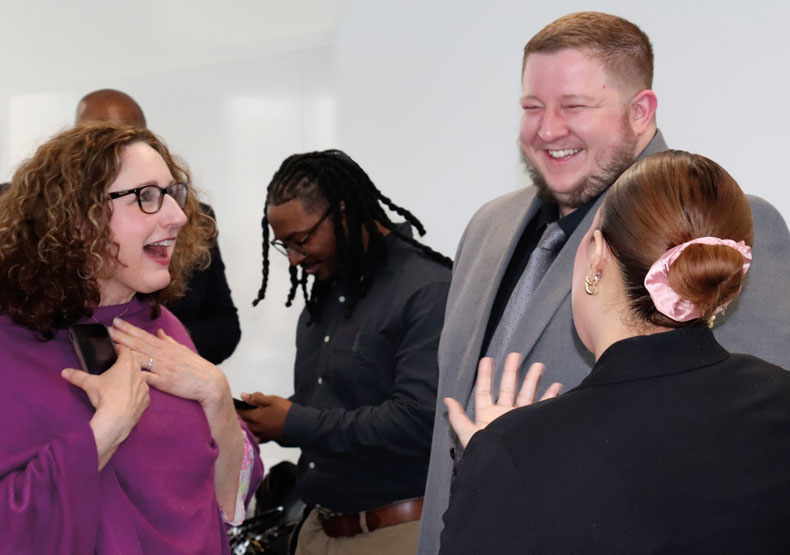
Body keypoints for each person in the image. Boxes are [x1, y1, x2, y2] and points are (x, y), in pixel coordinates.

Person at [419, 11, 790, 552]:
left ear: (640, 112)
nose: (547, 129)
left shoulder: (724, 229)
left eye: (573, 106)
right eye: (531, 107)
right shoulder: (486, 227)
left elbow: (735, 450)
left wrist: (529, 450)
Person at [0, 123, 263, 554]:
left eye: (173, 194)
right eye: (145, 197)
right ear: (78, 219)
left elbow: (229, 500)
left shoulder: (164, 327)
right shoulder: (9, 349)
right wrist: (107, 428)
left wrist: (216, 394)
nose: (178, 216)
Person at [239, 150, 452, 555]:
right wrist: (277, 415)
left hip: (396, 534)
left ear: (342, 212)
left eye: (301, 241)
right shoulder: (327, 292)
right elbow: (342, 403)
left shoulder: (426, 289)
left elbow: (418, 421)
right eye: (285, 247)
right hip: (318, 529)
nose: (296, 260)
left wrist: (297, 422)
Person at [76, 89, 242, 364]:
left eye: (128, 138)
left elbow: (224, 325)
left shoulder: (169, 327)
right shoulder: (24, 334)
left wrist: (160, 350)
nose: (177, 218)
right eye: (99, 140)